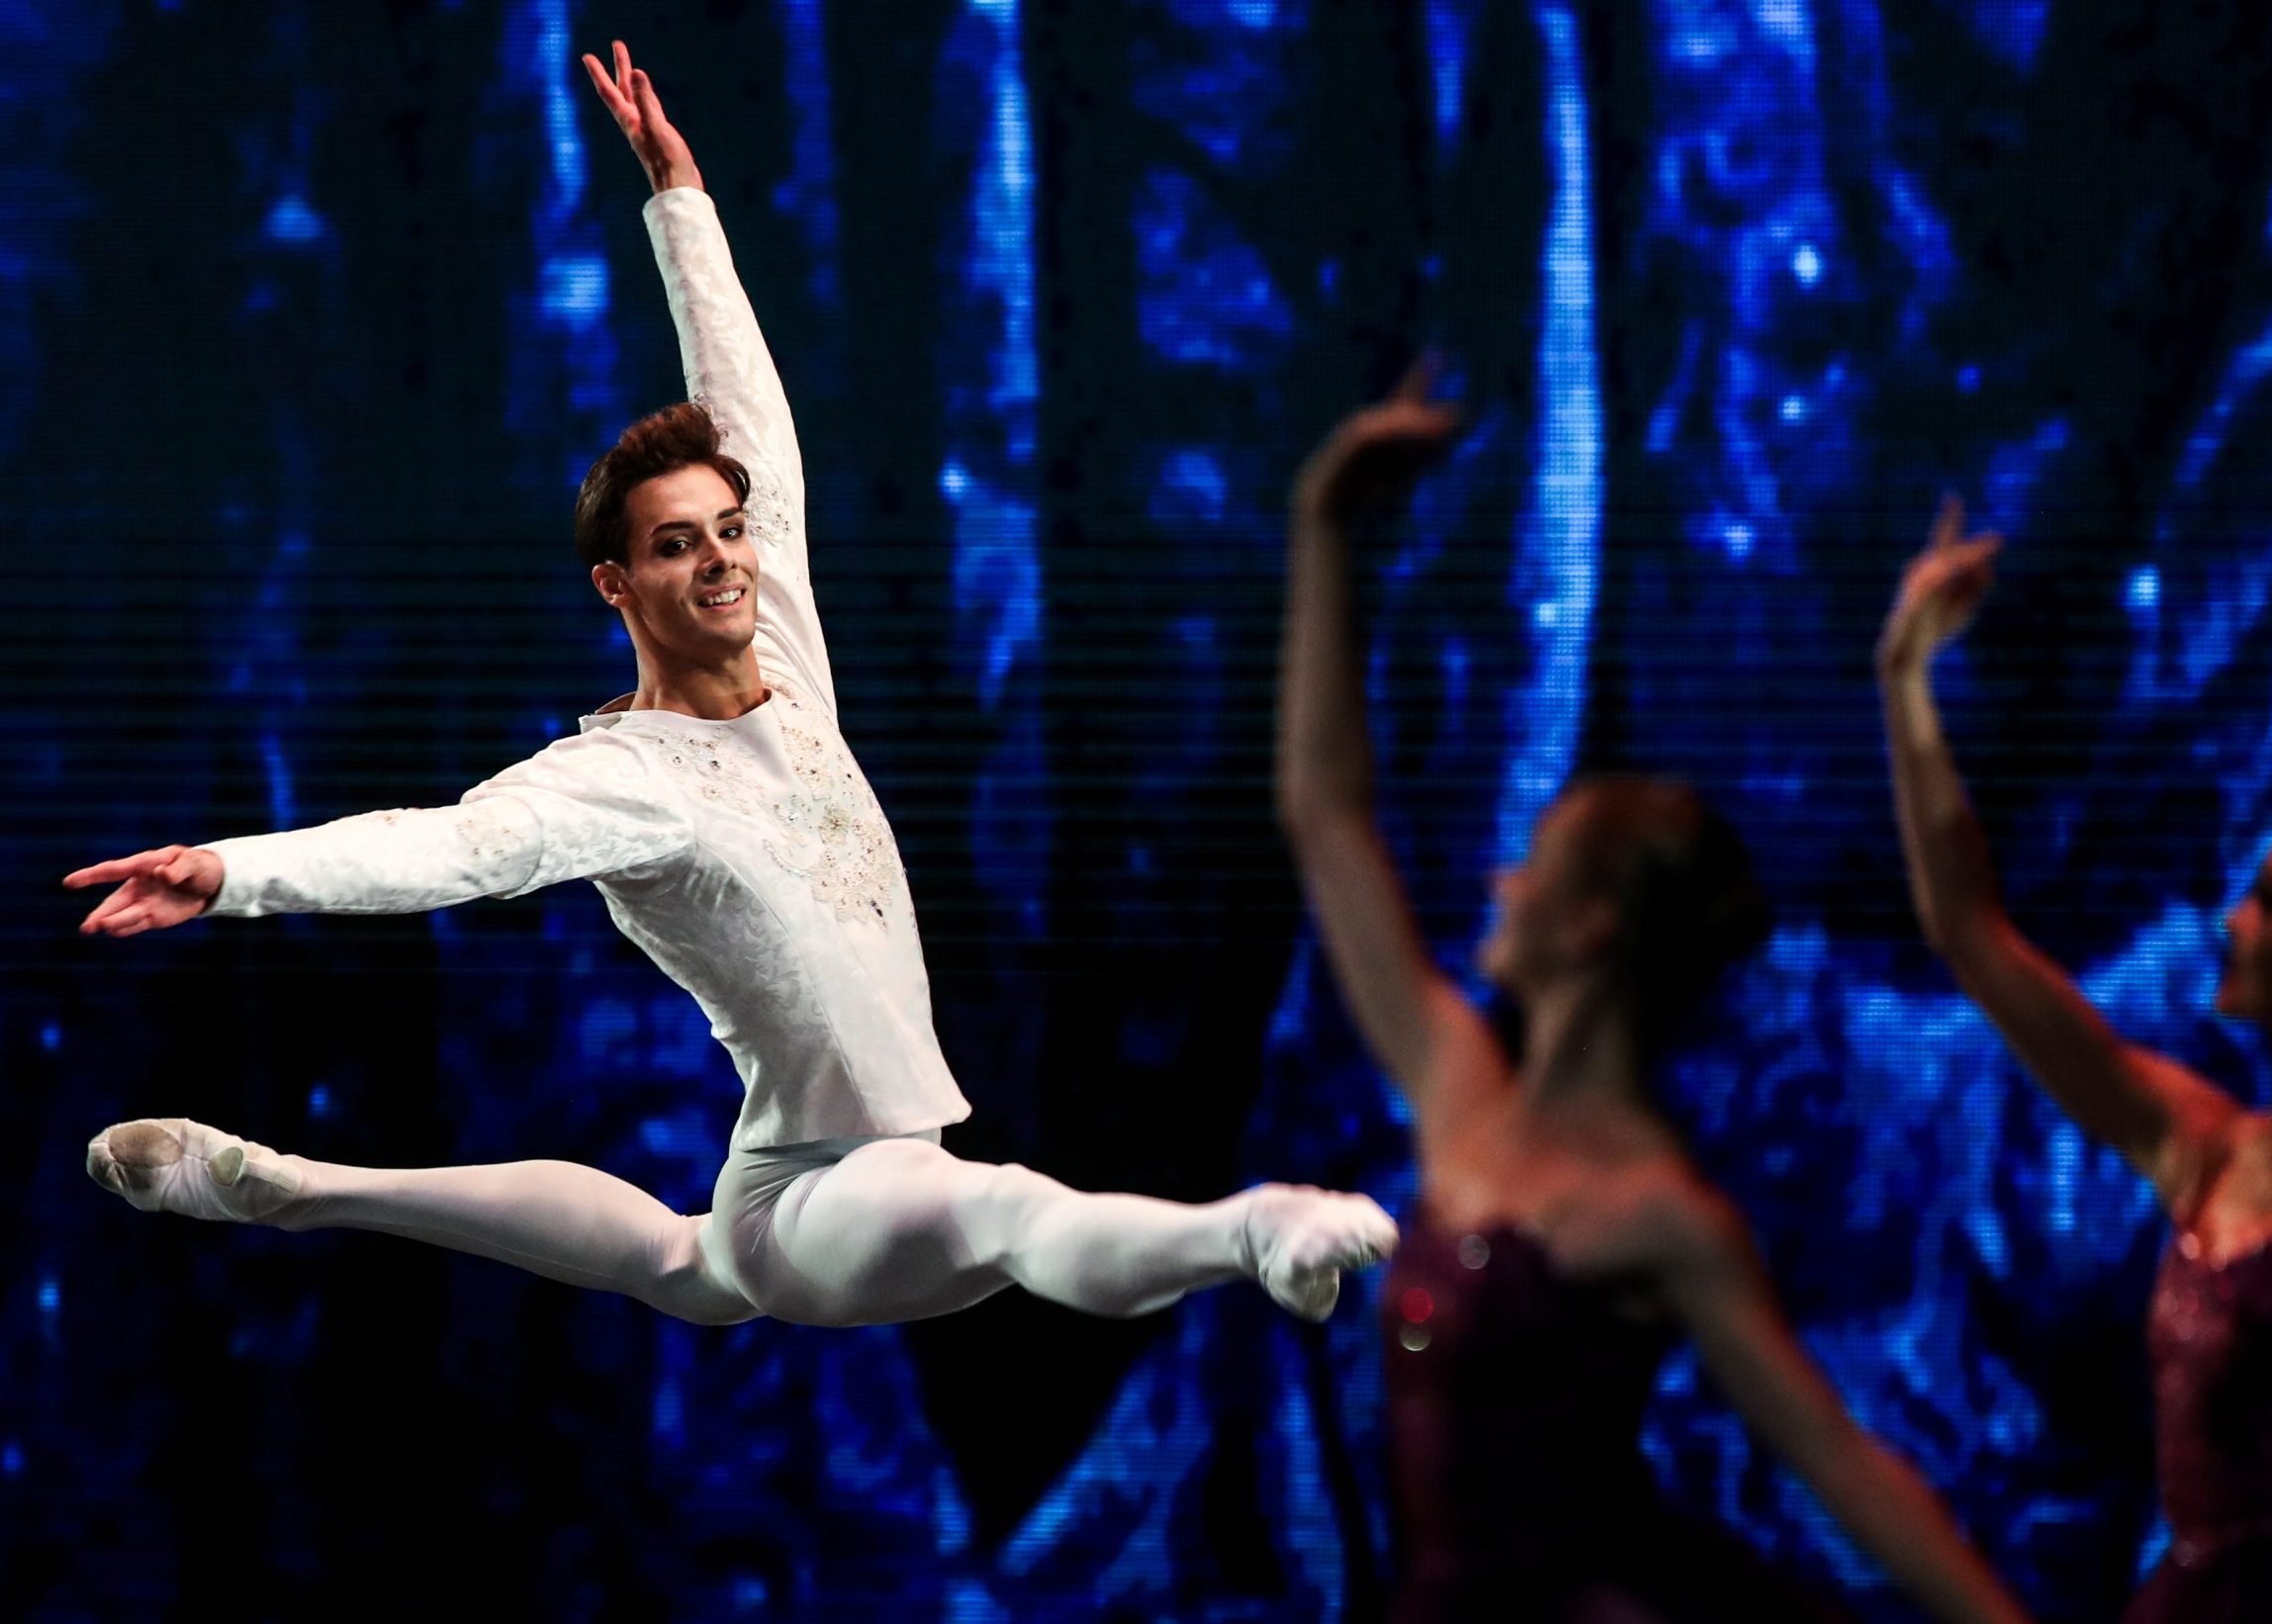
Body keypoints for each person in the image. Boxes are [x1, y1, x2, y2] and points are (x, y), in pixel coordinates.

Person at [67, 43, 1394, 1335]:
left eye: (727, 529)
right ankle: (1257, 1227)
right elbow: (446, 848)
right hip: (828, 1196)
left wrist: (681, 207)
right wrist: (234, 870)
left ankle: (297, 1188)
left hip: (796, 1185)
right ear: (618, 584)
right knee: (999, 1209)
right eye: (673, 542)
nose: (718, 558)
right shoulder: (621, 778)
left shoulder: (791, 676)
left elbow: (751, 422)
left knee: (679, 1258)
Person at [1277, 369, 2030, 1624]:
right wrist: (1324, 530)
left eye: (1533, 863)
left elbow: (1840, 1463)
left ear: (1590, 926)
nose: (1496, 877)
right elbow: (1324, 813)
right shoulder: (1460, 1082)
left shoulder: (1657, 1213)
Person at [1878, 498, 2272, 1621]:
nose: (2228, 920)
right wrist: (1904, 685)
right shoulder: (2201, 1145)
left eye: (2269, 904)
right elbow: (1971, 939)